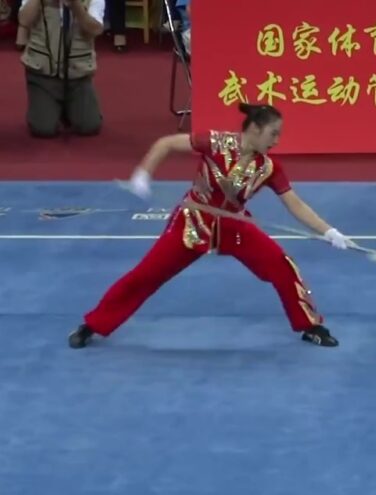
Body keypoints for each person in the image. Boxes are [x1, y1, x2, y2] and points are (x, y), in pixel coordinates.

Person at [68, 103, 350, 349]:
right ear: (254, 129)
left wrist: (329, 231)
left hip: (234, 227)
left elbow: (295, 204)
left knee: (283, 266)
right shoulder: (214, 143)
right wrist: (142, 175)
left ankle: (310, 326)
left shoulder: (268, 168)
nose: (276, 140)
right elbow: (165, 144)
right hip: (192, 223)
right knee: (145, 276)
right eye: (273, 133)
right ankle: (93, 325)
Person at [19, 0, 104, 137]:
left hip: (78, 75)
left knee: (89, 126)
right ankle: (49, 106)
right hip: (42, 74)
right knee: (43, 129)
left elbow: (95, 29)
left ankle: (70, 107)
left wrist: (76, 6)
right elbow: (24, 20)